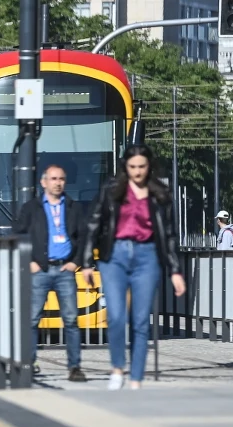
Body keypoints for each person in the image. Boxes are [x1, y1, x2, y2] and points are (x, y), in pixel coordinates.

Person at [81, 144, 186, 390]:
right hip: (114, 255)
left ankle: (136, 378)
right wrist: (86, 262)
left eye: (141, 167)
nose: (137, 172)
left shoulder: (160, 193)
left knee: (140, 320)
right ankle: (117, 368)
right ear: (125, 167)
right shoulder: (111, 190)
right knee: (116, 316)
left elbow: (169, 235)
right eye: (132, 167)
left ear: (149, 167)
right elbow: (93, 225)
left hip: (147, 256)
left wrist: (175, 271)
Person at [14, 164, 87, 382]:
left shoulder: (74, 207)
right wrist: (29, 263)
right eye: (53, 179)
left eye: (61, 179)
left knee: (71, 320)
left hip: (65, 269)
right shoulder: (31, 208)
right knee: (32, 319)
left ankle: (75, 367)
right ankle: (28, 362)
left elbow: (83, 237)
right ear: (43, 182)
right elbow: (18, 235)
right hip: (40, 270)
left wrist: (76, 262)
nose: (58, 183)